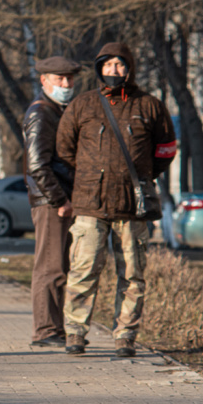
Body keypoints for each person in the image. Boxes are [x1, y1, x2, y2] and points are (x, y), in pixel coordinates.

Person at [56, 42, 177, 357]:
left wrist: (142, 175)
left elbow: (166, 149)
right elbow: (65, 148)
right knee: (84, 271)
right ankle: (75, 333)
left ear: (130, 68)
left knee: (133, 275)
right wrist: (88, 176)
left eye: (119, 65)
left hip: (132, 207)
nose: (113, 71)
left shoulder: (150, 106)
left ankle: (125, 336)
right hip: (90, 204)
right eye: (107, 65)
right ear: (99, 69)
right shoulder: (83, 105)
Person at [24, 56, 81, 348]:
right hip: (50, 201)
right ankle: (45, 330)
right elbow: (37, 165)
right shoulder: (41, 112)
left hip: (59, 198)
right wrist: (60, 199)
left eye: (70, 79)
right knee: (50, 266)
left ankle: (54, 328)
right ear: (44, 80)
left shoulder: (59, 110)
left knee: (59, 265)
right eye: (60, 79)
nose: (66, 84)